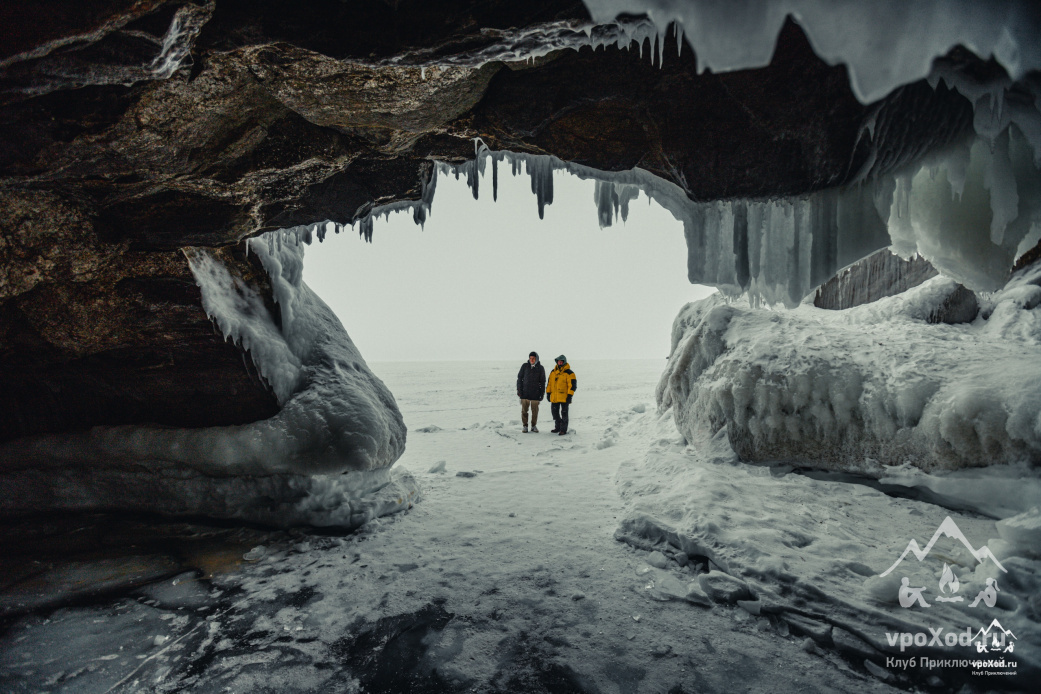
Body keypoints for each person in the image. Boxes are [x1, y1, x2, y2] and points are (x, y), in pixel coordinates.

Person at [546, 355, 577, 435]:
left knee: (564, 414)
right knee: (554, 413)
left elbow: (572, 386)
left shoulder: (569, 373)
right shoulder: (553, 372)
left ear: (564, 362)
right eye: (558, 361)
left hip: (565, 397)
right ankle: (558, 427)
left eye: (561, 361)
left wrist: (570, 396)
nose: (559, 363)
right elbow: (549, 384)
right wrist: (548, 393)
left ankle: (563, 429)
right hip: (554, 397)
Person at [516, 351, 546, 433]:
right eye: (530, 358)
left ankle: (533, 426)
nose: (531, 360)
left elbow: (542, 382)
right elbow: (519, 378)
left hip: (535, 394)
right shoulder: (525, 366)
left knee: (535, 411)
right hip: (525, 393)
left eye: (533, 358)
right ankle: (525, 426)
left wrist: (542, 393)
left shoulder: (540, 368)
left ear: (536, 359)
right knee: (524, 411)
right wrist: (519, 390)